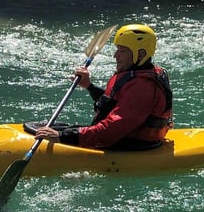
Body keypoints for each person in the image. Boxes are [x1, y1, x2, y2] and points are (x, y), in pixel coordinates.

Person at [34, 23, 173, 150]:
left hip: (130, 144)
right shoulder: (135, 75)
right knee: (37, 127)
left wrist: (62, 137)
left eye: (122, 51)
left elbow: (114, 128)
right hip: (120, 137)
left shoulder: (143, 87)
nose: (115, 56)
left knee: (61, 132)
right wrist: (89, 86)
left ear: (140, 54)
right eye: (117, 50)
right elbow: (112, 105)